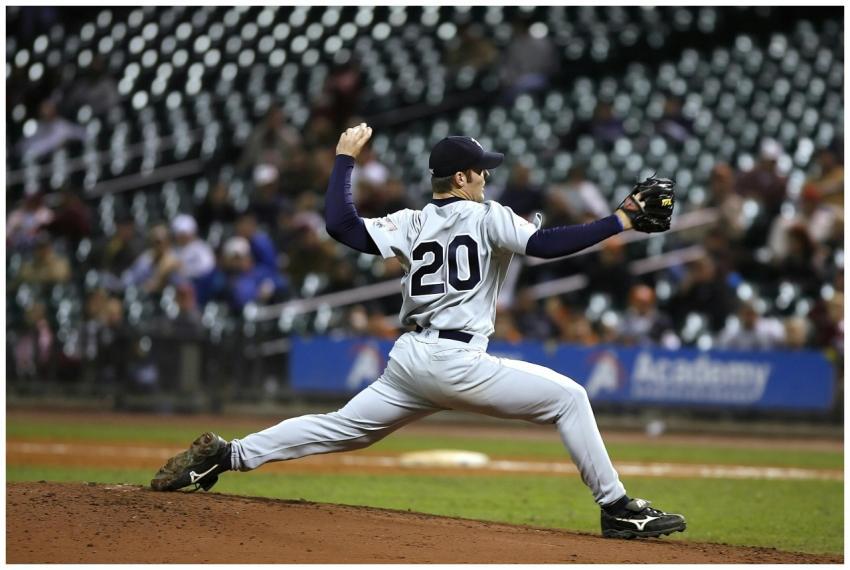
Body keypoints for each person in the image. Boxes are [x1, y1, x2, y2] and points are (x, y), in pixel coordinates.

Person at [151, 124, 685, 540]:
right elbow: (545, 247)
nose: (485, 178)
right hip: (457, 361)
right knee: (570, 397)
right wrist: (623, 220)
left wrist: (344, 158)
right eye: (480, 172)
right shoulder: (487, 216)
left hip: (410, 360)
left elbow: (339, 224)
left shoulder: (410, 222)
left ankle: (228, 455)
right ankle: (618, 510)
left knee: (341, 427)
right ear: (461, 179)